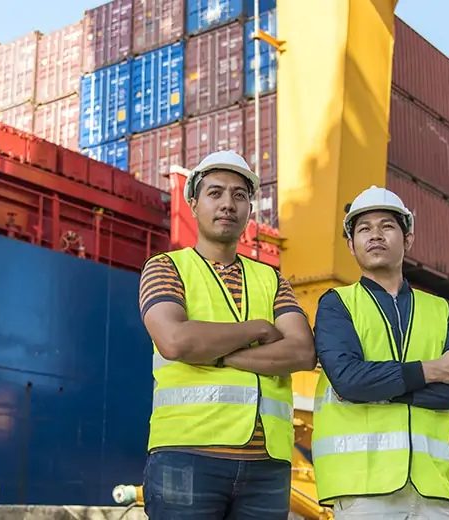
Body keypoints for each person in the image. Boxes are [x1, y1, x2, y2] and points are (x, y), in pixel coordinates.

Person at [138, 150, 317, 520]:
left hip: (267, 463)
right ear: (193, 203)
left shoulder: (271, 279)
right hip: (186, 454)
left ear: (250, 208)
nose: (227, 204)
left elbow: (302, 352)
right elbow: (175, 341)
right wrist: (258, 329)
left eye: (239, 195)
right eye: (215, 193)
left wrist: (218, 354)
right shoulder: (165, 268)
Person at [311, 185, 449, 519]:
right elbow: (348, 382)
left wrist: (384, 392)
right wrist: (432, 371)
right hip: (363, 492)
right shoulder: (336, 304)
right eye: (364, 229)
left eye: (387, 226)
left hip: (431, 490)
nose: (375, 235)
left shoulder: (441, 311)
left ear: (408, 239)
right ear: (350, 244)